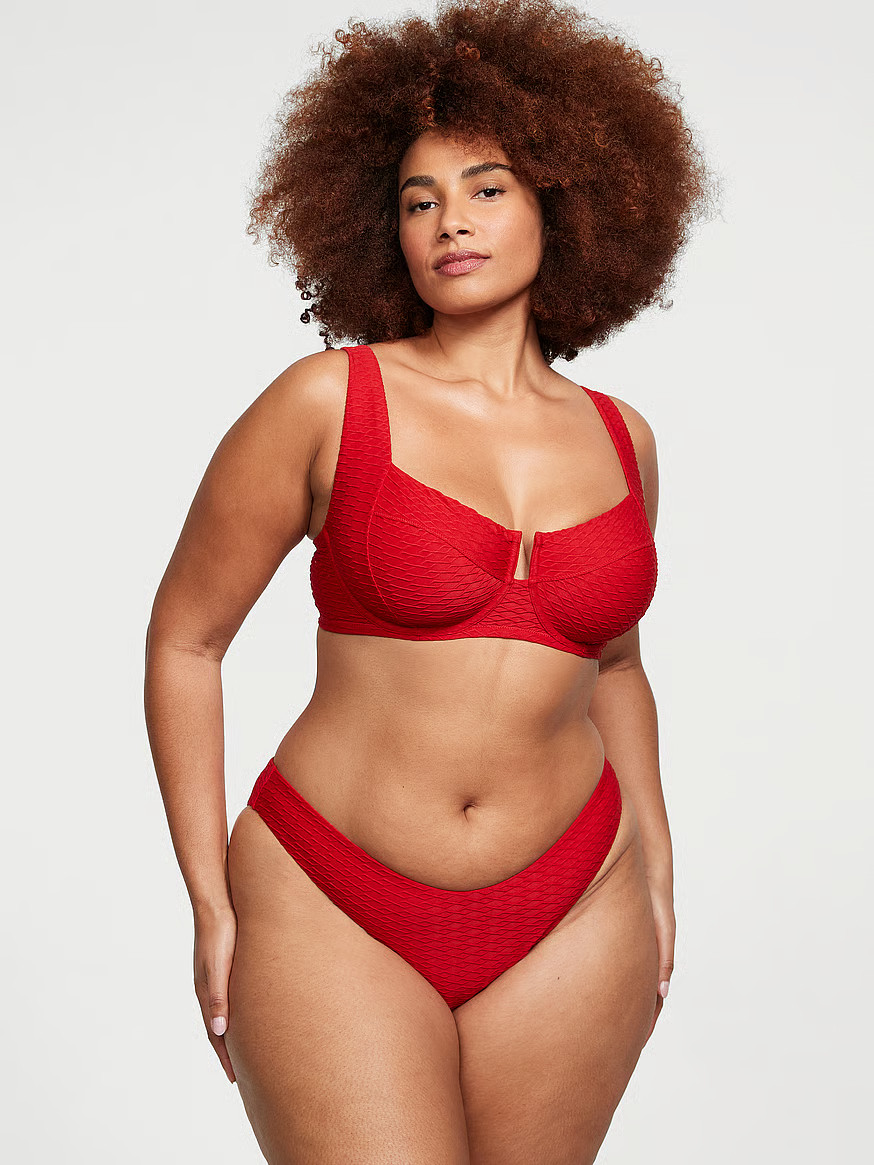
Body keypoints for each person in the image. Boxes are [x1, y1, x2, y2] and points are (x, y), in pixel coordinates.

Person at [144, 0, 718, 1160]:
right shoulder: (327, 400)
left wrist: (656, 869)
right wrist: (208, 897)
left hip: (576, 903)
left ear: (562, 201)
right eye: (418, 200)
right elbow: (185, 641)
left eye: (485, 188)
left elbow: (614, 666)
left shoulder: (625, 441)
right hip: (332, 895)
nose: (449, 221)